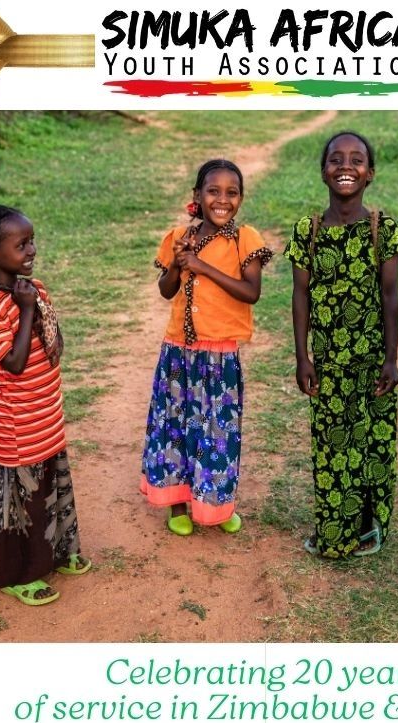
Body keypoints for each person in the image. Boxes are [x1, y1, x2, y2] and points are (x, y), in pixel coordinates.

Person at [0, 204, 90, 606]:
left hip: (44, 411)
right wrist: (27, 308)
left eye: (32, 241)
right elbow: (11, 364)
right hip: (13, 422)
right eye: (21, 244)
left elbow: (54, 347)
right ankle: (15, 573)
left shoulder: (36, 288)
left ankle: (58, 552)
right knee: (18, 500)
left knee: (48, 485)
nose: (31, 250)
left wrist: (38, 305)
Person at [286, 131, 398, 558]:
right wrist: (303, 357)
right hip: (329, 363)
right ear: (323, 172)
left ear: (369, 174)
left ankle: (370, 528)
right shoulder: (308, 231)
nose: (345, 167)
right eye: (336, 159)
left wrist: (391, 360)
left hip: (373, 360)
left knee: (373, 443)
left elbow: (390, 296)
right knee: (334, 447)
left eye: (357, 160)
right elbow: (300, 295)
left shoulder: (382, 229)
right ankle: (336, 533)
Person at [140, 160, 273, 536]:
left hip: (220, 356)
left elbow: (252, 292)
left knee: (217, 432)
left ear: (241, 198)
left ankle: (216, 503)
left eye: (232, 193)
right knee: (177, 428)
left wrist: (201, 266)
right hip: (178, 354)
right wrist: (179, 265)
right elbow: (166, 291)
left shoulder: (244, 239)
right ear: (197, 195)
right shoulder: (179, 237)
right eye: (213, 191)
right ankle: (177, 503)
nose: (222, 200)